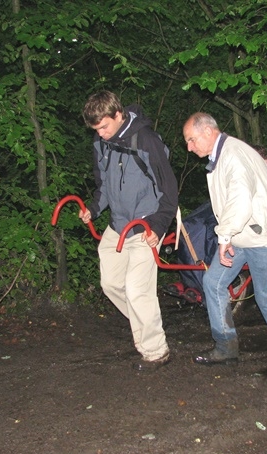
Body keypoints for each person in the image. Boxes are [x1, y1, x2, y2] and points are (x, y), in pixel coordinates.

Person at [183, 112, 267, 365]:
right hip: (242, 234)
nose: (189, 148)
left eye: (191, 140)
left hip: (263, 236)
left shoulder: (234, 156)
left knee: (266, 296)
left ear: (208, 132)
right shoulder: (222, 154)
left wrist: (224, 237)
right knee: (212, 283)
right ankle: (226, 345)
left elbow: (240, 202)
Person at [80, 91, 178, 372]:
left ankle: (156, 350)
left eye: (104, 127)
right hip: (117, 225)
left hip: (145, 224)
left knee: (137, 290)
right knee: (111, 284)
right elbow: (104, 185)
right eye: (96, 129)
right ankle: (146, 325)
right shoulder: (101, 143)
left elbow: (169, 191)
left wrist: (158, 226)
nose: (101, 134)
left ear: (118, 114)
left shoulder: (146, 140)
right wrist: (93, 209)